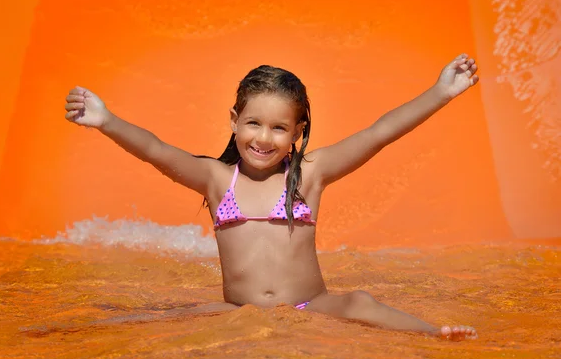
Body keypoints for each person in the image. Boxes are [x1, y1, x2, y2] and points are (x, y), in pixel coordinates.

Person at [64, 54, 480, 341]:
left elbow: (378, 133)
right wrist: (107, 121)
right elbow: (156, 150)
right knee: (164, 317)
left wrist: (440, 92)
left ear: (298, 130)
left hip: (311, 306)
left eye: (280, 128)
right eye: (253, 123)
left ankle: (434, 334)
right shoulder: (216, 178)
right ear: (234, 121)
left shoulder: (308, 177)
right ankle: (75, 329)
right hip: (240, 310)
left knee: (359, 301)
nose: (263, 138)